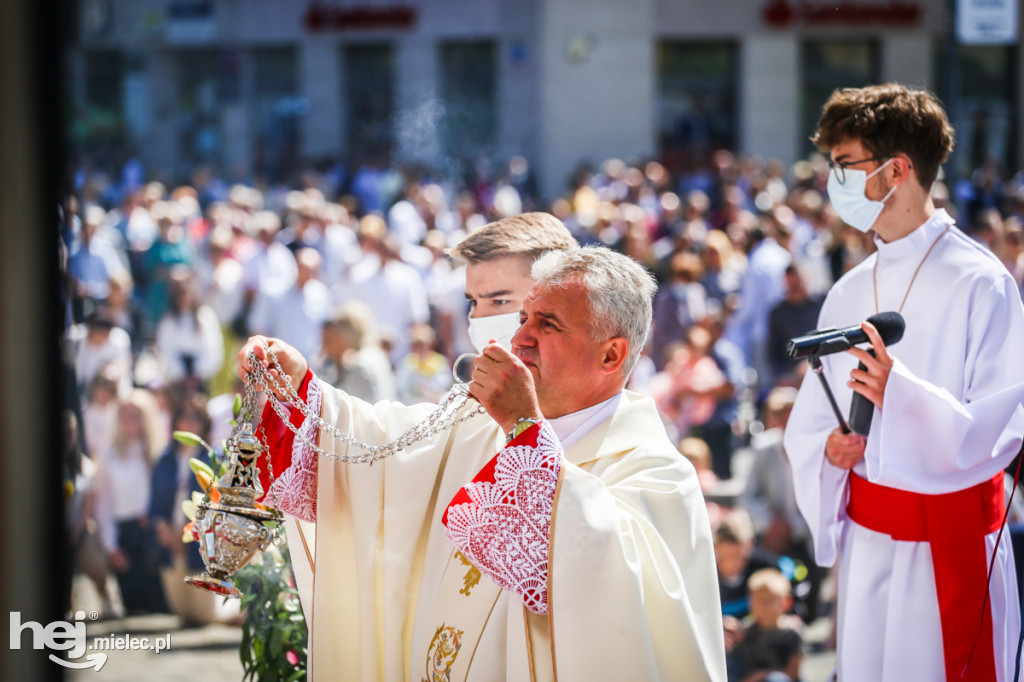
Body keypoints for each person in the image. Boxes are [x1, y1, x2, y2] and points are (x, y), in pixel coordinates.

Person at [239, 240, 726, 679]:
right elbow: (381, 451)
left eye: (548, 324)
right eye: (523, 320)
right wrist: (304, 391)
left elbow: (618, 610)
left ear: (611, 355)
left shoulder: (658, 475)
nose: (520, 340)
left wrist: (524, 433)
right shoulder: (482, 426)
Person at [784, 83, 1024, 681]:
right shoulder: (848, 287)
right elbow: (818, 419)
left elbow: (1001, 427)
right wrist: (831, 451)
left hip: (950, 543)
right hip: (869, 542)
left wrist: (903, 393)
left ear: (897, 169)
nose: (833, 183)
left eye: (845, 167)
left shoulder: (980, 281)